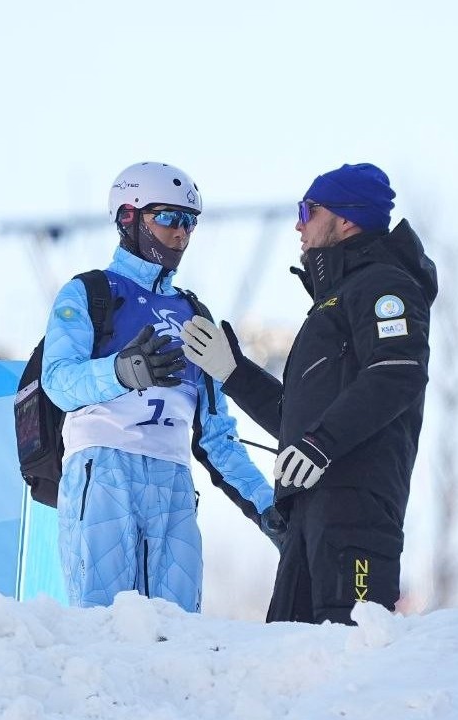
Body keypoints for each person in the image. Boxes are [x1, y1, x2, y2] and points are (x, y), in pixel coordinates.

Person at [180, 163, 436, 625]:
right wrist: (234, 373)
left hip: (356, 508)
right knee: (288, 662)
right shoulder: (331, 304)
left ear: (347, 219)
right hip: (307, 512)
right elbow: (301, 420)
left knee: (348, 656)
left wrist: (321, 444)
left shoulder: (385, 286)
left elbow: (396, 373)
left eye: (308, 210)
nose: (298, 224)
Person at [40, 161, 283, 613]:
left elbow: (217, 435)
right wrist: (120, 372)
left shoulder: (194, 313)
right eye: (169, 218)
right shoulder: (90, 292)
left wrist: (266, 507)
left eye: (190, 223)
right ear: (128, 218)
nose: (181, 234)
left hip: (172, 480)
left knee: (179, 636)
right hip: (103, 469)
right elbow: (57, 382)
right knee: (105, 628)